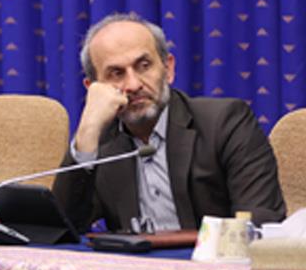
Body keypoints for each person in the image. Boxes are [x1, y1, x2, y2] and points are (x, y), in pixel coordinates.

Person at [53, 13, 286, 232]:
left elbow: (259, 223)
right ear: (93, 88)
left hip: (211, 261)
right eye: (116, 73)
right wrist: (87, 131)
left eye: (144, 66)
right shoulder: (99, 145)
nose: (133, 85)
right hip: (132, 264)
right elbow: (63, 231)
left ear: (168, 68)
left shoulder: (225, 122)